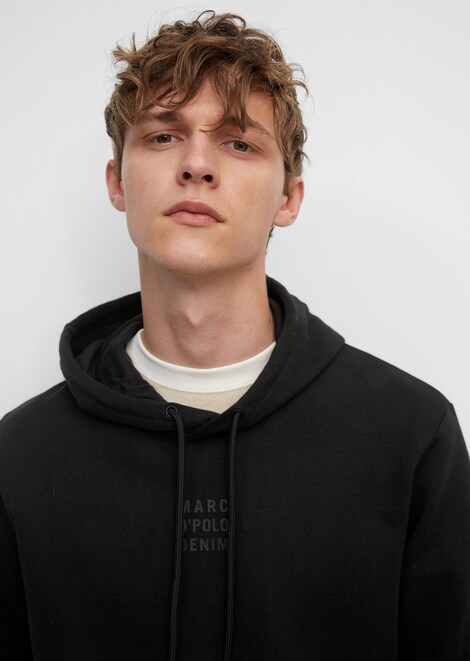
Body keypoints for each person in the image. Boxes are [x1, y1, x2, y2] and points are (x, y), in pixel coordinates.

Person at [1, 10, 469, 661]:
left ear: (289, 198)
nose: (196, 164)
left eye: (239, 143)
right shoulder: (20, 457)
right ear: (116, 182)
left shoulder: (411, 435)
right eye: (163, 136)